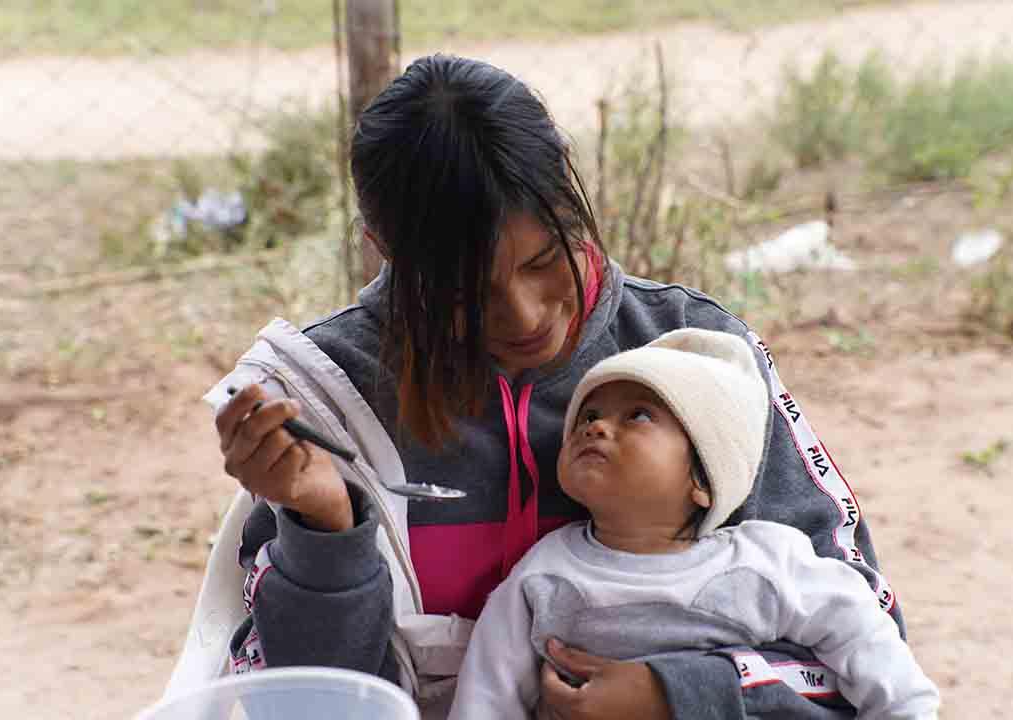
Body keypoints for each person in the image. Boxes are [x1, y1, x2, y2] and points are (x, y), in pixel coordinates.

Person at [209, 53, 904, 719]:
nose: (525, 315)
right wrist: (324, 531)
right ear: (383, 249)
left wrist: (684, 694)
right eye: (462, 290)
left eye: (545, 260)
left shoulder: (693, 355)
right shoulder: (329, 397)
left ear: (571, 192)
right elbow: (309, 704)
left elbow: (867, 633)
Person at [447, 329, 940, 720]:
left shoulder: (763, 560)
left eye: (638, 416)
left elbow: (864, 639)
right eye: (589, 415)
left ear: (704, 478)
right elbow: (488, 694)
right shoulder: (544, 574)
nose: (597, 426)